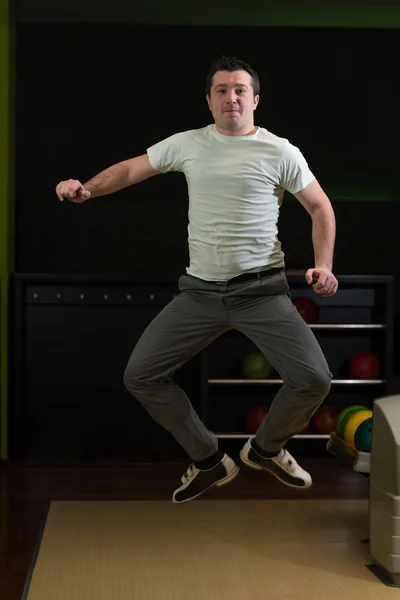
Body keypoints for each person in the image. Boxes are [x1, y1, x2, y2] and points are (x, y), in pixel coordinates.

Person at [55, 55, 338, 504]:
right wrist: (88, 189)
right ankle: (208, 460)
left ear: (255, 100)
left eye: (240, 89)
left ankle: (265, 450)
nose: (232, 97)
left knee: (314, 380)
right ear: (209, 101)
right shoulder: (188, 144)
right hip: (201, 293)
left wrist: (323, 264)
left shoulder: (280, 151)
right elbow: (131, 169)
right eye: (222, 90)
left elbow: (320, 207)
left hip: (261, 290)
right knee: (141, 375)